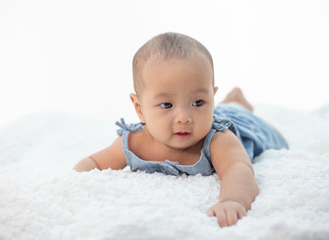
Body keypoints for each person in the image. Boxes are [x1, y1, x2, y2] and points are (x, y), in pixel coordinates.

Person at [73, 32, 289, 227]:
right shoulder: (134, 142)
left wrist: (232, 201)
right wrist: (74, 181)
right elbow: (94, 163)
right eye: (167, 105)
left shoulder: (218, 140)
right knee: (220, 107)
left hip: (240, 122)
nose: (184, 118)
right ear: (139, 108)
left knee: (248, 120)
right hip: (212, 112)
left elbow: (238, 170)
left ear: (210, 98)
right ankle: (228, 101)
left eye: (199, 101)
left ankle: (236, 103)